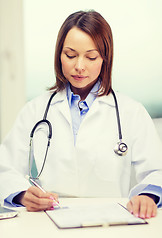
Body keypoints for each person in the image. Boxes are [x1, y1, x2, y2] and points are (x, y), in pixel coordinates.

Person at [0, 10, 162, 218]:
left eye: (91, 56)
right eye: (70, 55)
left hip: (112, 222)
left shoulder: (132, 112)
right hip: (48, 221)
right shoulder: (35, 110)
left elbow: (156, 172)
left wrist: (147, 196)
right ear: (59, 55)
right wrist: (22, 195)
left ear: (105, 58)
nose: (79, 66)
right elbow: (4, 167)